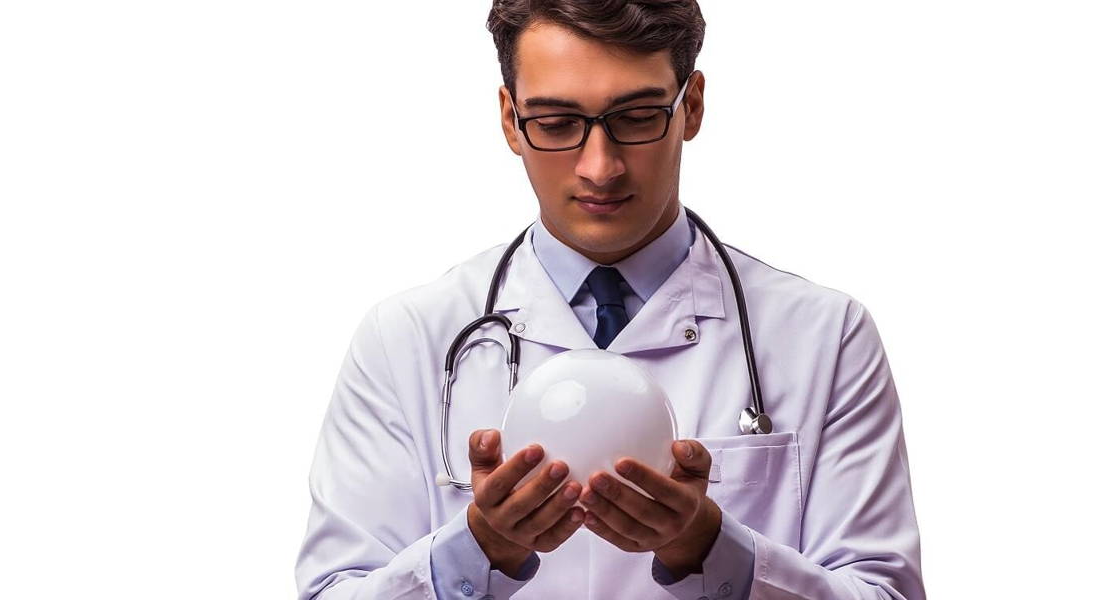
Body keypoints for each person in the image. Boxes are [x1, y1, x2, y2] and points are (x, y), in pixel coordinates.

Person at [295, 1, 924, 598]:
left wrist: (709, 548)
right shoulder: (405, 337)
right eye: (557, 123)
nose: (600, 167)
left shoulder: (826, 335)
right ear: (511, 120)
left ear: (693, 106)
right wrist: (477, 548)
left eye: (636, 117)